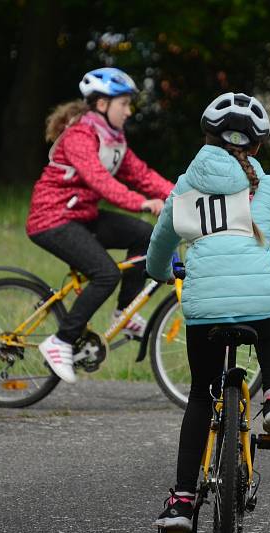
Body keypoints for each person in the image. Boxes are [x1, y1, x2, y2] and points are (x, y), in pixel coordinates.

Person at [144, 92, 270, 533]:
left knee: (201, 396)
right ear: (258, 147)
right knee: (269, 330)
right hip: (260, 301)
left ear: (207, 137)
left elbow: (157, 252)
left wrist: (164, 273)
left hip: (204, 309)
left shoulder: (185, 186)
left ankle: (183, 502)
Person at [26, 67, 174, 384]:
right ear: (103, 104)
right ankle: (61, 341)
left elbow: (143, 176)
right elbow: (99, 180)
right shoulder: (80, 135)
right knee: (105, 273)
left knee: (147, 237)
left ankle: (125, 311)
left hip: (82, 215)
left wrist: (183, 198)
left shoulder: (114, 140)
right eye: (125, 103)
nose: (129, 111)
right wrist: (142, 203)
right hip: (52, 219)